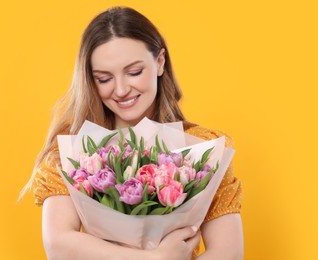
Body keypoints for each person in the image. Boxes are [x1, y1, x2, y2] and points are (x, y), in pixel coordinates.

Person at [20, 6, 243, 260]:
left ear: (160, 62)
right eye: (104, 78)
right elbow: (58, 245)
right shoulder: (72, 152)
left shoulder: (204, 147)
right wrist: (155, 258)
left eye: (134, 72)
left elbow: (229, 252)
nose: (121, 89)